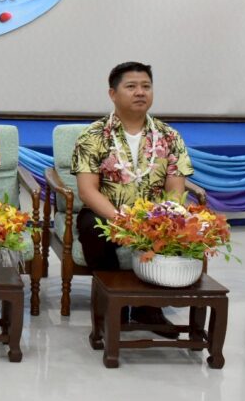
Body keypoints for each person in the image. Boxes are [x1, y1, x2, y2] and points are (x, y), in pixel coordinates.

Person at [71, 61, 194, 331]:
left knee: (180, 227)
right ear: (112, 94)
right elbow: (87, 190)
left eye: (146, 86)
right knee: (93, 229)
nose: (140, 92)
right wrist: (122, 220)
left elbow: (175, 189)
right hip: (105, 212)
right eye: (131, 86)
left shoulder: (169, 136)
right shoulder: (93, 135)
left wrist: (163, 218)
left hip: (154, 214)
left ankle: (147, 310)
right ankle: (112, 307)